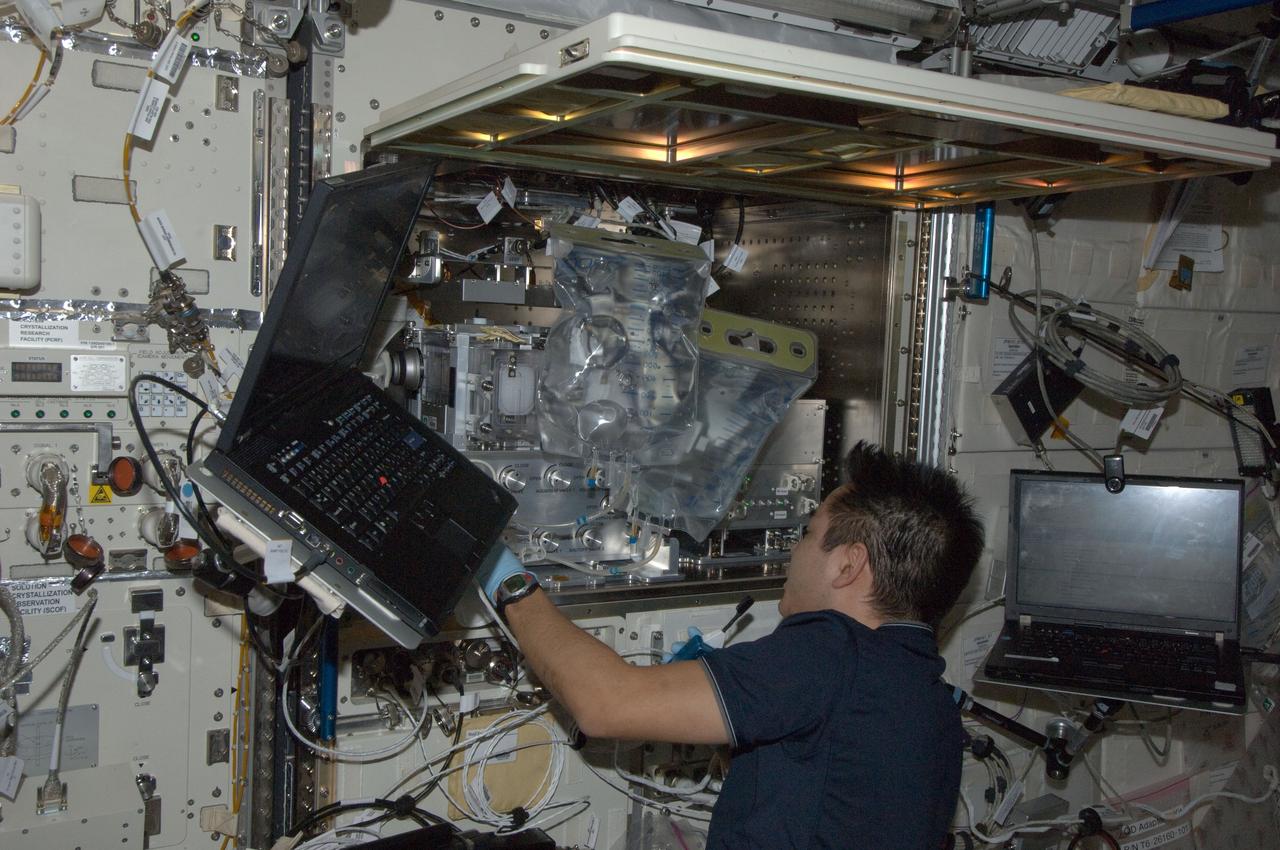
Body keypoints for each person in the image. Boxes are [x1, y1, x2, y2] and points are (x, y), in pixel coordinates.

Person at [478, 441, 985, 849]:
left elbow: (606, 705)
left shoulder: (830, 652)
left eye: (807, 536)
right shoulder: (929, 695)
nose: (794, 552)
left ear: (847, 564)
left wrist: (506, 578)